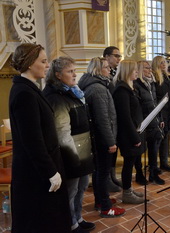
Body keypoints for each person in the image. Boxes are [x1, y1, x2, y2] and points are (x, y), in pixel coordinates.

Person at [9, 43, 71, 232]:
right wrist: (50, 172)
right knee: (39, 222)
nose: (47, 66)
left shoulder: (30, 89)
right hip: (36, 173)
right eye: (43, 61)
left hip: (42, 167)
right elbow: (32, 140)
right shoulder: (24, 93)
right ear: (29, 63)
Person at [43, 57, 95, 233]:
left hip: (82, 149)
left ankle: (78, 217)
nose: (75, 74)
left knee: (82, 187)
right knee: (70, 192)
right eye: (69, 71)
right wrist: (74, 159)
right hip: (70, 153)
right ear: (58, 75)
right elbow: (62, 133)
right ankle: (71, 223)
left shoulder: (74, 91)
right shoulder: (56, 97)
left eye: (74, 70)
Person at [78, 57, 125, 217]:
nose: (109, 70)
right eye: (106, 67)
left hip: (98, 137)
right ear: (98, 70)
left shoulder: (95, 85)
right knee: (103, 172)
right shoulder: (98, 89)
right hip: (102, 138)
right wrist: (111, 141)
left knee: (99, 171)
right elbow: (103, 118)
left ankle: (100, 199)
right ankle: (105, 207)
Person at [113, 60, 145, 204]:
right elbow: (125, 117)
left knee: (131, 162)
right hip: (127, 134)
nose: (137, 73)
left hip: (133, 131)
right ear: (127, 71)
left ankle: (129, 189)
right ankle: (126, 193)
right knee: (128, 163)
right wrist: (134, 137)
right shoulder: (121, 90)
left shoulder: (130, 87)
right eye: (135, 70)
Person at [134, 60, 165, 185]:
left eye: (150, 68)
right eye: (146, 68)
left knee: (154, 148)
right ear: (140, 70)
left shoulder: (151, 83)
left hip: (153, 121)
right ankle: (139, 173)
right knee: (140, 150)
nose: (150, 70)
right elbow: (137, 106)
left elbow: (156, 102)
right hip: (142, 122)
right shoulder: (136, 84)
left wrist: (160, 118)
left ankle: (153, 173)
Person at [103, 46, 123, 192]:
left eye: (119, 56)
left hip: (116, 117)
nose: (118, 59)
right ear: (107, 57)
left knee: (114, 150)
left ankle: (113, 176)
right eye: (116, 56)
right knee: (108, 150)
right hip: (108, 118)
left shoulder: (117, 73)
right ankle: (107, 179)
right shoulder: (103, 75)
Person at [152, 56, 170, 173]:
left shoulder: (168, 77)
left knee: (166, 137)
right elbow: (155, 97)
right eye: (161, 63)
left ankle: (164, 162)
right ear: (156, 65)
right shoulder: (155, 78)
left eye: (165, 62)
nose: (164, 65)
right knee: (158, 139)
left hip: (168, 111)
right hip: (159, 111)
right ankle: (154, 165)